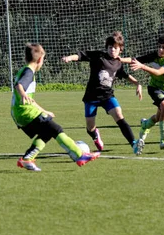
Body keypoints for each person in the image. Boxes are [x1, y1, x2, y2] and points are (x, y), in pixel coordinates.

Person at [14, 43, 100, 172]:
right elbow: (20, 85)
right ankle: (79, 155)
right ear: (40, 59)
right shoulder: (29, 72)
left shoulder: (25, 70)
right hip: (26, 112)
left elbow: (29, 98)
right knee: (57, 129)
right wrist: (22, 93)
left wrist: (44, 111)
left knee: (47, 132)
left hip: (21, 113)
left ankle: (27, 159)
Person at [61, 31, 142, 153]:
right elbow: (81, 56)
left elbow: (125, 75)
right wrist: (69, 58)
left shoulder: (118, 63)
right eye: (110, 47)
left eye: (115, 48)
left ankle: (134, 144)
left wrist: (137, 84)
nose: (112, 50)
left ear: (120, 49)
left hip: (107, 96)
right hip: (91, 97)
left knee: (119, 115)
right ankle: (95, 135)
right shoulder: (99, 56)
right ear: (107, 47)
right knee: (90, 126)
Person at [126, 33, 164, 154]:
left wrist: (142, 66)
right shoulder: (154, 55)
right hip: (154, 88)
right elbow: (135, 60)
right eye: (159, 47)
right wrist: (118, 59)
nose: (160, 50)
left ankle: (145, 125)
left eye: (163, 47)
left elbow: (158, 72)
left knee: (159, 117)